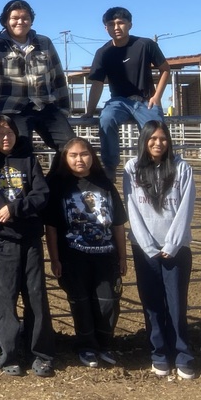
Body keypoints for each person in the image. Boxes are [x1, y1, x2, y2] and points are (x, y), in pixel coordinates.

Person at [0, 115, 56, 377]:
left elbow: (42, 194)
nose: (6, 138)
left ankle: (41, 354)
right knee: (4, 300)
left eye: (10, 133)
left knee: (36, 297)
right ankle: (9, 354)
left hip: (29, 238)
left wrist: (15, 209)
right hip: (0, 240)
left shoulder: (29, 160)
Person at [45, 137, 128, 369]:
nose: (79, 159)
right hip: (73, 257)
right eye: (73, 155)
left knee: (107, 301)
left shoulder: (105, 185)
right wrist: (55, 259)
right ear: (65, 159)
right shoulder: (58, 186)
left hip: (106, 255)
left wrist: (123, 256)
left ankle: (104, 343)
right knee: (80, 302)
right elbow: (50, 227)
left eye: (84, 154)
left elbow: (118, 223)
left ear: (92, 157)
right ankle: (87, 347)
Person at [124, 121, 196, 379]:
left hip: (176, 249)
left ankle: (183, 354)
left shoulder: (181, 168)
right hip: (146, 249)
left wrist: (172, 244)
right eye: (152, 138)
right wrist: (148, 245)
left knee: (176, 304)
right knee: (152, 303)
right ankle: (159, 354)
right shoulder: (132, 169)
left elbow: (186, 208)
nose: (158, 143)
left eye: (163, 138)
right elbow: (132, 207)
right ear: (144, 140)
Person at [0, 0, 74, 154]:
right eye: (15, 18)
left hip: (44, 105)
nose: (20, 22)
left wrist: (63, 109)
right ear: (5, 21)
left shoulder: (44, 43)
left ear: (31, 21)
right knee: (20, 148)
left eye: (25, 18)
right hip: (10, 108)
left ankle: (57, 178)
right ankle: (29, 177)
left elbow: (58, 78)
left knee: (71, 146)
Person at [84, 7, 171, 180]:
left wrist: (157, 96)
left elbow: (165, 69)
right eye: (111, 24)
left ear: (130, 24)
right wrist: (89, 111)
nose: (116, 27)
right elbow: (97, 84)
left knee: (155, 129)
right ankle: (110, 165)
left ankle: (156, 166)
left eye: (120, 23)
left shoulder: (145, 44)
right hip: (118, 101)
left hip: (145, 100)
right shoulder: (103, 52)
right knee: (107, 118)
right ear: (105, 28)